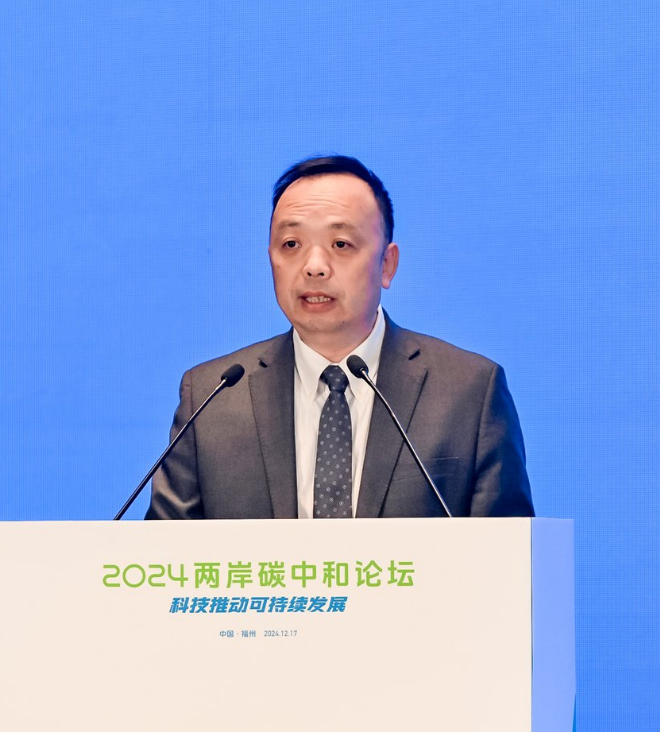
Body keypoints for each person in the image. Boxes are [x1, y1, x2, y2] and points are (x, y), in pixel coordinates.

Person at [146, 155, 534, 519]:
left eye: (341, 244)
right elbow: (163, 557)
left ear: (387, 264)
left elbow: (510, 556)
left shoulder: (469, 393)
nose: (314, 267)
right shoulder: (212, 397)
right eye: (291, 245)